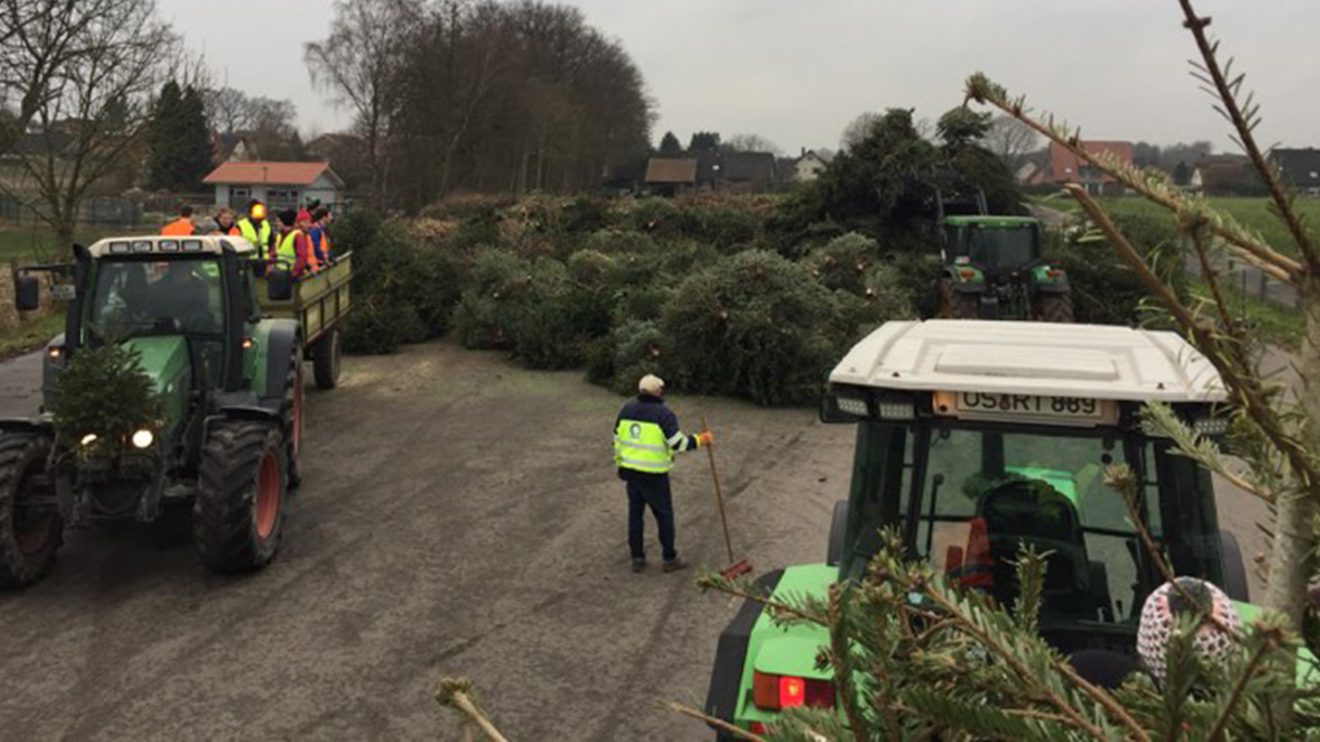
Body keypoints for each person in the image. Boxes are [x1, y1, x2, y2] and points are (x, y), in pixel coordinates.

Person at [612, 374, 713, 573]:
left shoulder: (626, 410)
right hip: (655, 475)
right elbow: (678, 444)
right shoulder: (663, 414)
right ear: (658, 391)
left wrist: (620, 466)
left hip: (631, 473)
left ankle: (637, 558)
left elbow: (617, 441)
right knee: (664, 516)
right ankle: (669, 558)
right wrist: (701, 440)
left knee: (635, 516)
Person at [274, 209, 315, 279]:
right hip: (279, 274)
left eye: (279, 221)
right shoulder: (279, 235)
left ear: (284, 222)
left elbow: (302, 257)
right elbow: (274, 253)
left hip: (290, 274)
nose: (277, 224)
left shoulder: (297, 235)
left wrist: (293, 274)